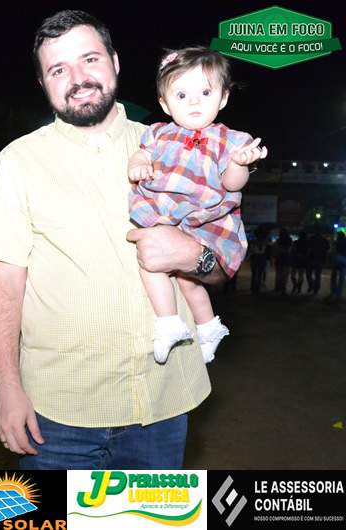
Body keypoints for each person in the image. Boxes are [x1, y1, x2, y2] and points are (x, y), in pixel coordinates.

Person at [0, 10, 223, 469]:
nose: (78, 79)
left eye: (89, 59)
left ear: (114, 61)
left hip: (162, 402)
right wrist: (7, 387)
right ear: (43, 83)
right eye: (58, 69)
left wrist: (197, 256)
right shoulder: (18, 161)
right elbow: (5, 284)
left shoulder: (175, 147)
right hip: (57, 414)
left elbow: (221, 262)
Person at [128, 47, 267, 363]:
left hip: (207, 220)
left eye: (205, 92)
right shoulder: (158, 134)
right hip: (168, 216)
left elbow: (233, 185)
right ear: (165, 104)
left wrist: (240, 163)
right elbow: (141, 154)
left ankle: (199, 326)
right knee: (153, 265)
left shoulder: (229, 140)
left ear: (223, 98)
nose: (194, 102)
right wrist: (138, 164)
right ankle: (182, 325)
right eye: (181, 95)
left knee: (186, 279)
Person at [307, 227, 329, 295]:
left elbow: (308, 247)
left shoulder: (311, 238)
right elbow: (327, 248)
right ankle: (316, 288)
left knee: (309, 274)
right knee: (317, 275)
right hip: (320, 259)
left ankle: (311, 285)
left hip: (312, 258)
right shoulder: (324, 239)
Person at [249, 227, 269, 294]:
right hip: (261, 257)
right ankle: (257, 287)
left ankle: (253, 287)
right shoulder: (265, 242)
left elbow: (251, 250)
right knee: (259, 273)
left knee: (254, 273)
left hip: (255, 257)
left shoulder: (253, 242)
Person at [272, 228, 292, 294]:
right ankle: (283, 288)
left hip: (279, 259)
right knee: (285, 275)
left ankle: (277, 287)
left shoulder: (278, 241)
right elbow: (290, 249)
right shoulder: (289, 240)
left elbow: (275, 249)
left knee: (278, 274)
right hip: (287, 259)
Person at [328, 232, 346, 302]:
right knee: (341, 278)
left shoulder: (336, 242)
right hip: (343, 259)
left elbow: (332, 251)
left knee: (333, 276)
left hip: (336, 258)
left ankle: (333, 291)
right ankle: (338, 295)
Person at [290, 230, 308, 295]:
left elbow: (292, 250)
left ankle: (295, 286)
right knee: (301, 275)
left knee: (293, 274)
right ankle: (299, 288)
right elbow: (308, 252)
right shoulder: (307, 243)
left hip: (295, 259)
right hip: (303, 260)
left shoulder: (296, 242)